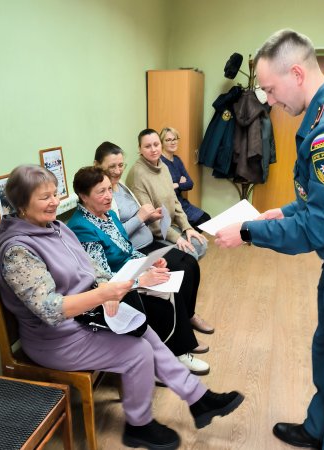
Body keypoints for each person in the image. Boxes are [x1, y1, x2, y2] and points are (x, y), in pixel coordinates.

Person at [215, 29, 324, 450]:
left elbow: (317, 227)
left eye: (271, 90)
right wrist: (283, 211)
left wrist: (250, 231)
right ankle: (318, 429)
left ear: (296, 72)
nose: (269, 101)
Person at [0, 164, 244, 449]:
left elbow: (93, 272)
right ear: (22, 204)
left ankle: (199, 400)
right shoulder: (18, 251)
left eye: (54, 194)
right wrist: (104, 294)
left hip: (86, 318)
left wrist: (137, 278)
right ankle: (139, 426)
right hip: (55, 339)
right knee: (137, 353)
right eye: (44, 197)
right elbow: (50, 309)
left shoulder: (57, 228)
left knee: (143, 328)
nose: (54, 202)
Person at [68, 166, 210, 374]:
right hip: (113, 290)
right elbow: (103, 278)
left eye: (109, 189)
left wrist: (149, 262)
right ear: (83, 196)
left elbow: (128, 249)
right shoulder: (82, 228)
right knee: (161, 298)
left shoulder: (108, 215)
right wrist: (141, 280)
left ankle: (178, 350)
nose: (109, 196)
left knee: (168, 279)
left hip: (130, 274)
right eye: (101, 192)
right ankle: (167, 360)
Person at [93, 141, 215, 336]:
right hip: (136, 250)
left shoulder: (122, 186)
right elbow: (114, 234)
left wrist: (149, 217)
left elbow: (172, 202)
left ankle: (189, 315)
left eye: (120, 165)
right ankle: (180, 328)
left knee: (191, 263)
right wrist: (141, 217)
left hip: (149, 240)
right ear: (97, 165)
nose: (117, 171)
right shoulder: (105, 195)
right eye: (111, 166)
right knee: (180, 268)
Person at [126, 128, 208, 261]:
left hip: (170, 226)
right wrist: (177, 238)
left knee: (201, 245)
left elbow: (175, 201)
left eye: (156, 144)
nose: (153, 149)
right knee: (189, 253)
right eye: (147, 146)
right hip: (155, 232)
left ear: (160, 145)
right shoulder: (138, 174)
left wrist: (187, 227)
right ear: (140, 148)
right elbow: (151, 219)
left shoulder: (163, 166)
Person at [159, 127, 211, 232]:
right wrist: (180, 183)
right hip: (170, 205)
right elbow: (165, 189)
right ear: (161, 143)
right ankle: (185, 237)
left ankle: (186, 237)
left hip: (182, 202)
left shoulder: (177, 160)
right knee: (201, 222)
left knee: (206, 219)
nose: (172, 142)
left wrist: (177, 185)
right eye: (168, 140)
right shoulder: (159, 162)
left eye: (174, 139)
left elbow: (190, 184)